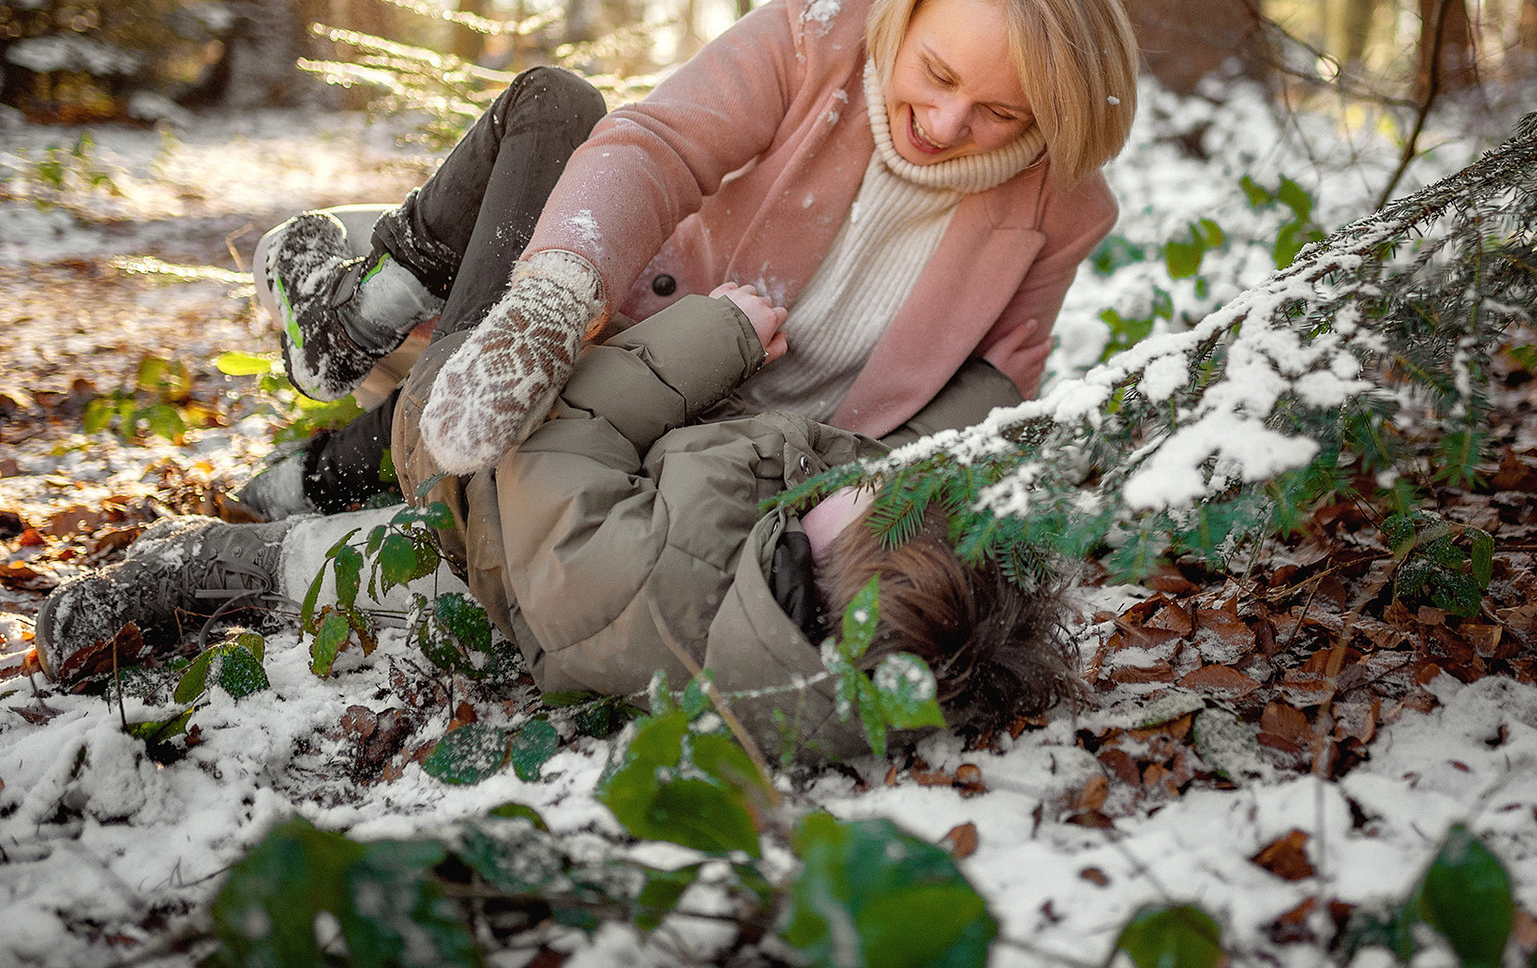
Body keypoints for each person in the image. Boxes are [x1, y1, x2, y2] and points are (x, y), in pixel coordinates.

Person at [242, 0, 1137, 520]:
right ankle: (355, 366)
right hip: (634, 332)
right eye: (936, 74)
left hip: (746, 450)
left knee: (504, 464)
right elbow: (659, 147)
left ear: (1049, 119)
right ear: (906, 13)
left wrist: (856, 493)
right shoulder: (822, 29)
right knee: (542, 123)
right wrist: (555, 301)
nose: (944, 124)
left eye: (1000, 113)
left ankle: (336, 470)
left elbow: (993, 386)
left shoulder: (1064, 208)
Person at [35, 283, 1081, 756]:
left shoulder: (667, 574)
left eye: (870, 500)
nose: (866, 474)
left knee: (304, 565)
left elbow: (554, 450)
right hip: (531, 543)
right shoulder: (802, 637)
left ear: (827, 561)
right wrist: (996, 379)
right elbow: (891, 465)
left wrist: (714, 336)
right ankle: (302, 480)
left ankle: (172, 570)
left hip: (476, 500)